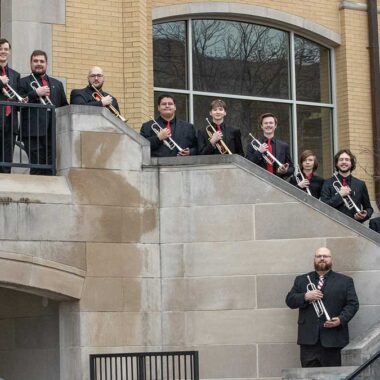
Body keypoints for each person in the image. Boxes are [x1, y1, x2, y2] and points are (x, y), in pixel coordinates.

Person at [286, 247, 359, 368]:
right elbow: (289, 300)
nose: (322, 259)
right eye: (319, 256)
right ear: (314, 259)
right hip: (308, 341)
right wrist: (305, 296)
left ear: (331, 260)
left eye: (325, 256)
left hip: (334, 340)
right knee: (309, 376)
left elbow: (353, 304)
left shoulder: (345, 281)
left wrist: (341, 319)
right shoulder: (301, 280)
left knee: (334, 376)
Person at [19, 50, 68, 175]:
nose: (38, 64)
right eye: (35, 61)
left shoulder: (57, 84)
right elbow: (18, 105)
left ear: (47, 64)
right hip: (32, 132)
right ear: (31, 63)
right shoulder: (23, 82)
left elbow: (64, 107)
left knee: (51, 168)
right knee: (37, 167)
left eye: (42, 61)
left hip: (52, 132)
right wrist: (35, 93)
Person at [320, 149, 373, 222]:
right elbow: (323, 206)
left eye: (347, 159)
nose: (344, 162)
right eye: (341, 160)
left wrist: (365, 214)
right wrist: (340, 195)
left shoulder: (360, 184)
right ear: (336, 163)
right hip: (333, 225)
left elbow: (369, 208)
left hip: (355, 226)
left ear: (351, 163)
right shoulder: (327, 183)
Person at [246, 112, 294, 178]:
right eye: (265, 123)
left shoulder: (284, 146)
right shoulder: (252, 144)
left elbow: (291, 168)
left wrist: (285, 171)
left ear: (275, 125)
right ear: (261, 126)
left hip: (278, 183)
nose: (268, 125)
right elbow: (247, 164)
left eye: (271, 123)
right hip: (258, 182)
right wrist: (259, 152)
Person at [0, 38, 21, 173]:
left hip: (10, 121)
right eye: (0, 48)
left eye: (6, 49)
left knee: (7, 161)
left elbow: (17, 95)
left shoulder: (15, 75)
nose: (3, 51)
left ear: (10, 52)